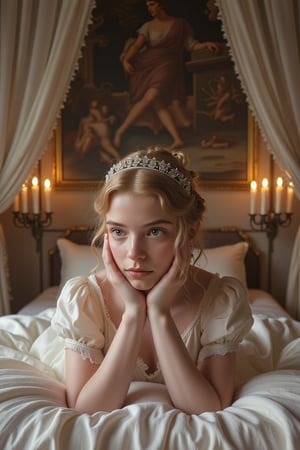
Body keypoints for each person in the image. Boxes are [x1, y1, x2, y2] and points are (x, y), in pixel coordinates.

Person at [51, 145, 253, 415]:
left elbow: (207, 408)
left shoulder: (220, 300)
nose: (135, 253)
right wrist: (134, 314)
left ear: (190, 231)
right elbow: (88, 408)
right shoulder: (84, 298)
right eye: (119, 232)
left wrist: (158, 313)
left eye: (155, 231)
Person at [113, 0, 220, 150]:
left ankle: (120, 131)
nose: (149, 8)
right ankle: (177, 139)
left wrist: (205, 44)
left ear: (161, 4)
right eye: (147, 6)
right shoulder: (148, 26)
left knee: (150, 97)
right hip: (149, 65)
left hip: (168, 66)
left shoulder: (180, 24)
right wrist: (126, 60)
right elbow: (136, 46)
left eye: (152, 4)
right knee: (158, 103)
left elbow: (190, 45)